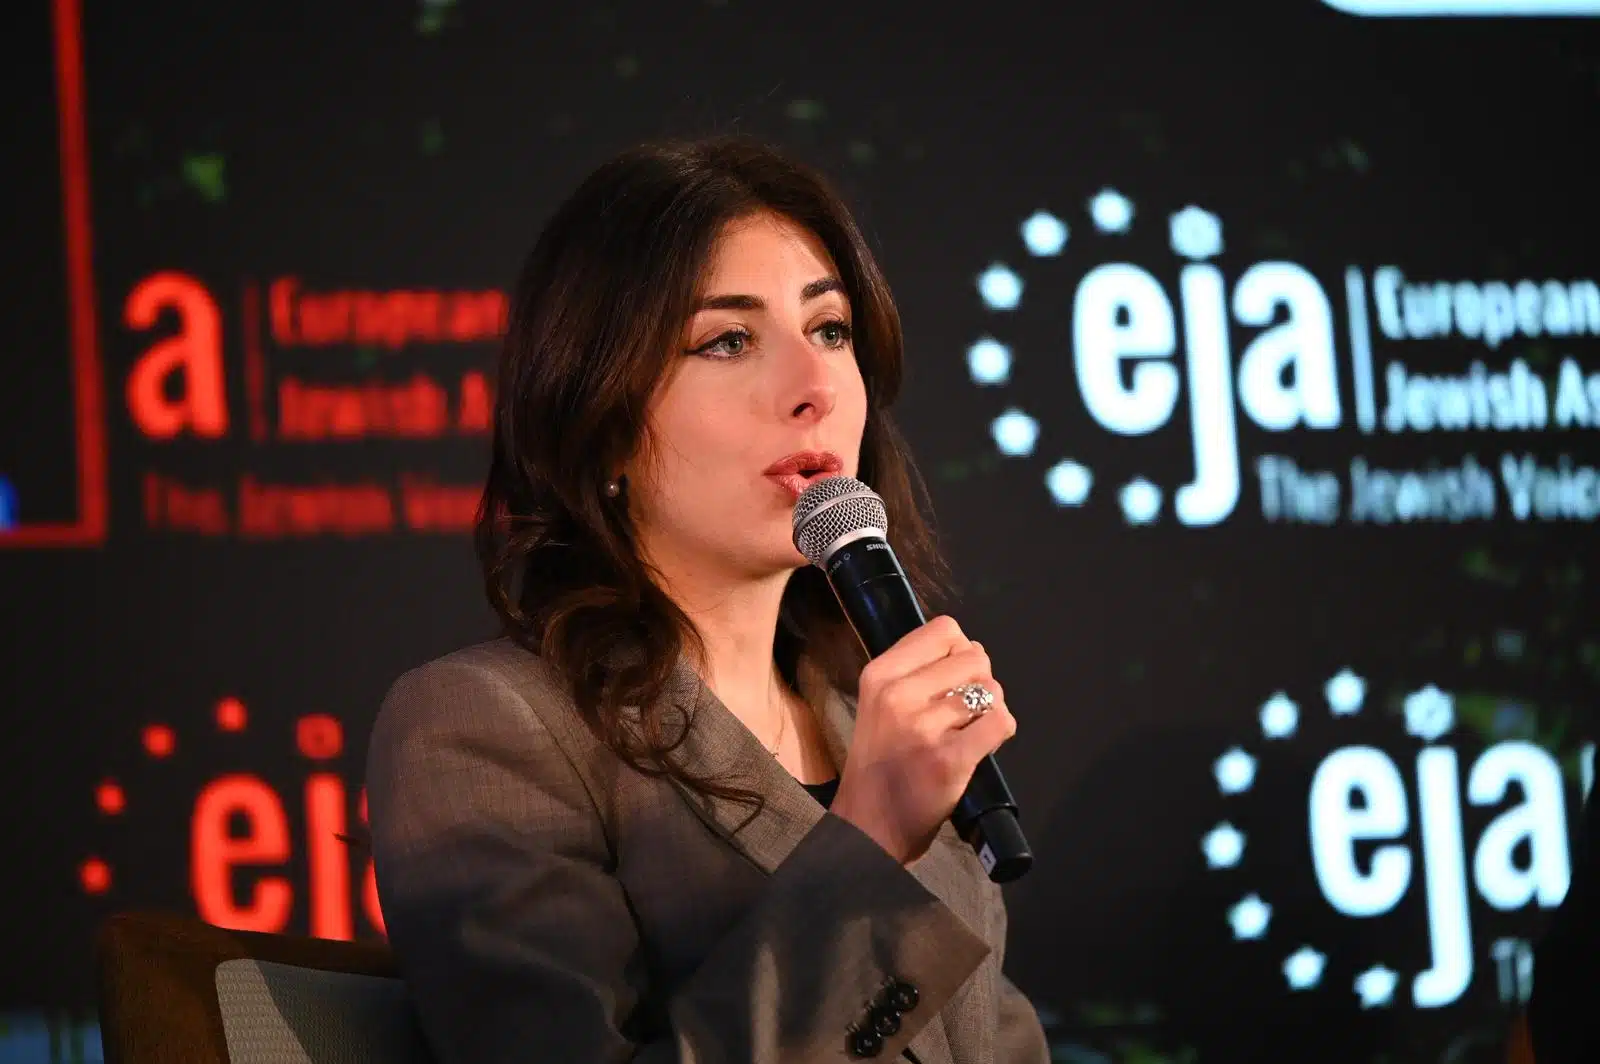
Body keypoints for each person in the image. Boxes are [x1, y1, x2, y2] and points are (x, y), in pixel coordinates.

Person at [365, 135, 1048, 1064]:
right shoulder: (483, 725)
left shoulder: (881, 732)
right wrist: (870, 837)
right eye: (728, 341)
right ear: (603, 423)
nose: (814, 387)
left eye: (830, 330)